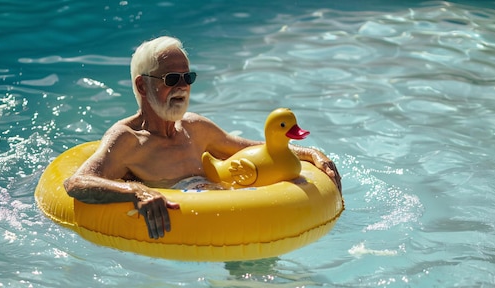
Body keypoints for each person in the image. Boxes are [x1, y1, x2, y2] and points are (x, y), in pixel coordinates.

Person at [64, 36, 342, 240]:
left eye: (188, 77)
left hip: (230, 220)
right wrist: (137, 191)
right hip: (182, 238)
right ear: (142, 85)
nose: (183, 86)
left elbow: (257, 148)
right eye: (172, 79)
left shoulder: (195, 128)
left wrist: (312, 154)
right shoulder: (128, 140)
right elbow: (76, 182)